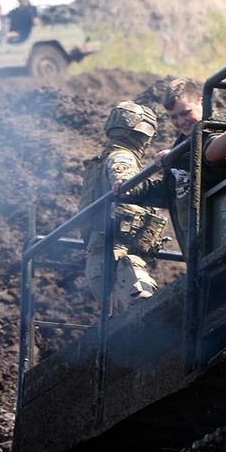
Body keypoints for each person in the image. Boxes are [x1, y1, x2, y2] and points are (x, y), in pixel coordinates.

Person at [83, 102, 167, 311]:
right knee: (147, 313)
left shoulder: (102, 161)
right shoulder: (122, 157)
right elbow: (127, 182)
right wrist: (166, 186)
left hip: (104, 259)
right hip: (119, 259)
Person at [153, 77, 204, 251]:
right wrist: (130, 189)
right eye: (173, 117)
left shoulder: (215, 130)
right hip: (192, 240)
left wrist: (175, 157)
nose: (181, 121)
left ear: (201, 101)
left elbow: (210, 158)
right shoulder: (181, 143)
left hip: (215, 231)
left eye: (185, 113)